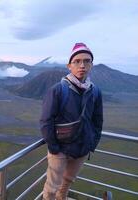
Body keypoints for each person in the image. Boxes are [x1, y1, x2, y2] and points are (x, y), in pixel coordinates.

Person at [40, 43, 103, 200]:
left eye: (87, 61)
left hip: (81, 150)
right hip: (60, 150)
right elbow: (46, 121)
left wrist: (92, 143)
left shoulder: (95, 91)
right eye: (77, 61)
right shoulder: (58, 90)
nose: (82, 65)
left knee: (66, 183)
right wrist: (55, 148)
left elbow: (97, 120)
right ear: (69, 66)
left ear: (91, 65)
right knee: (51, 188)